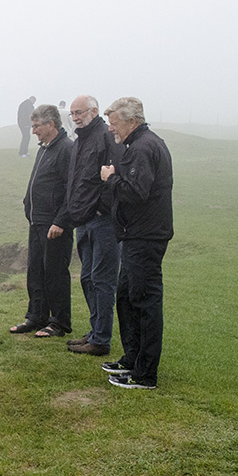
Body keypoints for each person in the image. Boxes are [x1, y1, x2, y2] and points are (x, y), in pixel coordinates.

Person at [100, 97, 174, 389]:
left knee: (144, 301)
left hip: (145, 237)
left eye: (114, 123)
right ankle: (132, 359)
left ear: (132, 121)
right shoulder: (140, 145)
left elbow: (137, 192)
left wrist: (111, 178)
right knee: (127, 297)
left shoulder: (143, 147)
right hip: (136, 235)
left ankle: (145, 374)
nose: (110, 129)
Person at [64, 95, 123, 356]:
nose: (75, 117)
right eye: (73, 113)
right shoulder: (80, 140)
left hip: (103, 220)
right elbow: (77, 180)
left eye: (80, 112)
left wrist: (102, 206)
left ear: (94, 111)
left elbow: (114, 175)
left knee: (102, 280)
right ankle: (94, 331)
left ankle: (101, 339)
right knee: (87, 278)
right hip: (85, 220)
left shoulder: (105, 136)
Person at [9, 104, 75, 338]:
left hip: (55, 225)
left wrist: (60, 221)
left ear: (51, 124)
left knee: (55, 272)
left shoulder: (66, 149)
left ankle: (59, 322)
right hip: (37, 221)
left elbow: (71, 190)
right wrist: (29, 204)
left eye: (37, 126)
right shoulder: (45, 148)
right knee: (35, 270)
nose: (33, 130)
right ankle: (37, 316)